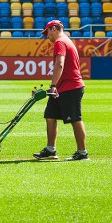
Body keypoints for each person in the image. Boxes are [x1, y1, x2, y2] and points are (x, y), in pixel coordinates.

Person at [33, 20, 89, 161]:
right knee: (50, 116)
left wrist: (53, 85)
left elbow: (59, 64)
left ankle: (82, 153)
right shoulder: (67, 40)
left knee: (75, 119)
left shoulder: (60, 42)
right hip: (62, 87)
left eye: (47, 33)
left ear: (53, 29)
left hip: (71, 86)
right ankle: (50, 150)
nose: (47, 36)